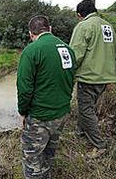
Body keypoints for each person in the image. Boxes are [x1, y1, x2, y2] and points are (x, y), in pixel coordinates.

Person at [17, 15, 75, 178]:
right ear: (50, 29)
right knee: (49, 154)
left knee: (32, 160)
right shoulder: (67, 49)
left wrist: (23, 111)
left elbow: (24, 89)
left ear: (31, 34)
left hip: (39, 118)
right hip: (61, 113)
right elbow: (71, 80)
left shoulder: (31, 50)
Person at [70, 0, 116, 156]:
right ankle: (81, 132)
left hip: (89, 77)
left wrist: (68, 72)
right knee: (89, 107)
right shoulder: (107, 26)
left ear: (79, 15)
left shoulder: (84, 26)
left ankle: (99, 145)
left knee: (85, 109)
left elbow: (75, 55)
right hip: (105, 76)